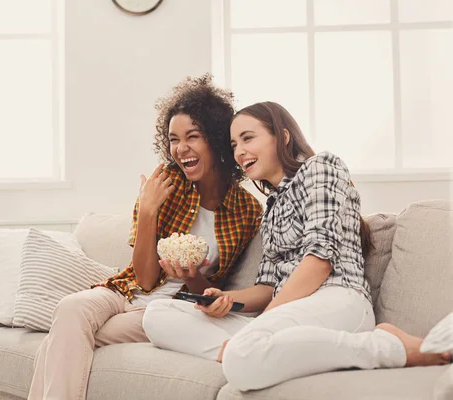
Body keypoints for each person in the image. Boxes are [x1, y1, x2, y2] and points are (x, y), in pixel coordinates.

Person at [142, 101, 451, 391]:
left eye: (248, 138)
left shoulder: (321, 167)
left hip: (336, 299)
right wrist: (227, 299)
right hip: (290, 311)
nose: (239, 152)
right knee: (157, 314)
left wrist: (264, 322)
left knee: (242, 360)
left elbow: (319, 262)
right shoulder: (271, 209)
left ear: (283, 137)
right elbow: (267, 287)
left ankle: (386, 345)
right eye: (234, 145)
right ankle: (260, 351)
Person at [27, 74, 263, 399]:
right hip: (125, 290)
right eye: (173, 139)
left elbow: (204, 292)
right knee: (71, 309)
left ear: (217, 139)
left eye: (192, 137)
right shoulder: (164, 181)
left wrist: (192, 275)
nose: (181, 149)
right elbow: (143, 275)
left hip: (167, 309)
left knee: (64, 337)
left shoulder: (245, 209)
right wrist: (149, 209)